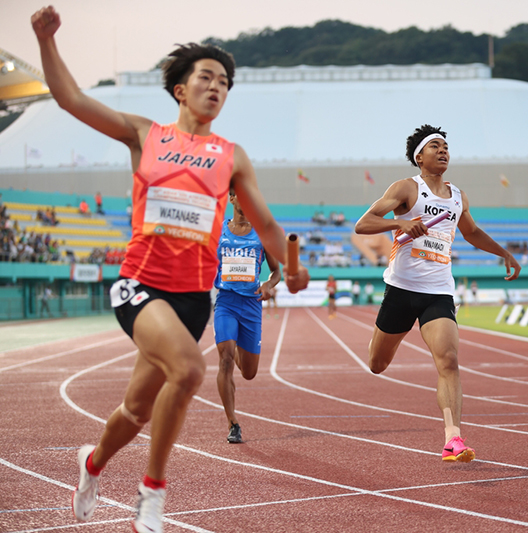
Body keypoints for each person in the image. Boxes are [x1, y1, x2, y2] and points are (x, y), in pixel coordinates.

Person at [31, 7, 310, 533]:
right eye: (206, 76)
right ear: (181, 89)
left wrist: (295, 270)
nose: (216, 86)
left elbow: (269, 225)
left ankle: (92, 465)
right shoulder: (144, 135)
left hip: (191, 298)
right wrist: (46, 41)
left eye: (224, 82)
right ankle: (152, 494)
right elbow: (71, 100)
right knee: (190, 370)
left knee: (136, 411)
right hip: (139, 283)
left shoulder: (232, 157)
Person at [354, 124, 520, 463]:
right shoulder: (405, 189)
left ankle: (453, 439)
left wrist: (503, 252)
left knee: (449, 360)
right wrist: (398, 223)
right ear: (420, 156)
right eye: (435, 146)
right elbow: (364, 224)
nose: (443, 151)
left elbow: (471, 232)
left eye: (446, 146)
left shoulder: (457, 196)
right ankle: (378, 347)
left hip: (438, 293)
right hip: (401, 290)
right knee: (377, 364)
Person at [214, 188, 281, 444]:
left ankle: (240, 346)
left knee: (249, 372)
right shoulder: (219, 232)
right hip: (226, 302)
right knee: (225, 359)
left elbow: (276, 272)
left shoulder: (261, 234)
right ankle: (233, 423)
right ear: (231, 198)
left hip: (251, 305)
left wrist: (267, 285)